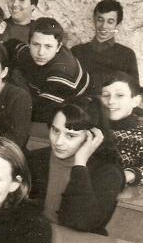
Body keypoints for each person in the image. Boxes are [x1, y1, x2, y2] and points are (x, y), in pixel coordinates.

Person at [27, 96, 124, 235]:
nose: (58, 142)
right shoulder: (35, 159)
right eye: (55, 130)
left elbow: (82, 223)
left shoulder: (108, 172)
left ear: (92, 136)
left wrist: (80, 165)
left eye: (70, 136)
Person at [10, 17, 89, 123]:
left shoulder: (62, 73)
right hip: (41, 97)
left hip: (74, 113)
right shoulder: (29, 52)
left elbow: (40, 113)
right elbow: (12, 45)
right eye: (36, 44)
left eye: (48, 46)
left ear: (58, 47)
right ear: (29, 43)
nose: (40, 52)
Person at [72, 0, 139, 94]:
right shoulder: (77, 51)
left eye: (110, 22)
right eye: (100, 20)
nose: (104, 26)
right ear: (94, 20)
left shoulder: (127, 54)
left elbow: (134, 91)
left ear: (117, 25)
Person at [100, 71, 143, 186]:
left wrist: (130, 174)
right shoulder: (92, 127)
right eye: (106, 95)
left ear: (136, 101)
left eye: (119, 95)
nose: (111, 101)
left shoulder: (140, 134)